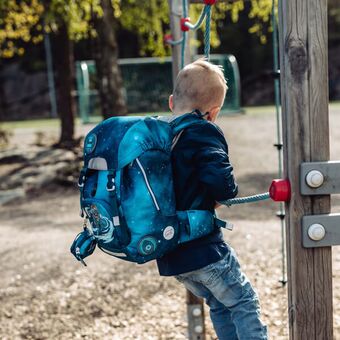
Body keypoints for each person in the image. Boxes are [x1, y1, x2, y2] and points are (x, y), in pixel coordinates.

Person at [156, 59, 268, 340]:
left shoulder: (161, 136)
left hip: (171, 255)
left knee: (220, 302)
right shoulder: (204, 130)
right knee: (243, 301)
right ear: (214, 112)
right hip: (202, 248)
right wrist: (226, 192)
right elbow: (222, 186)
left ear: (172, 102)